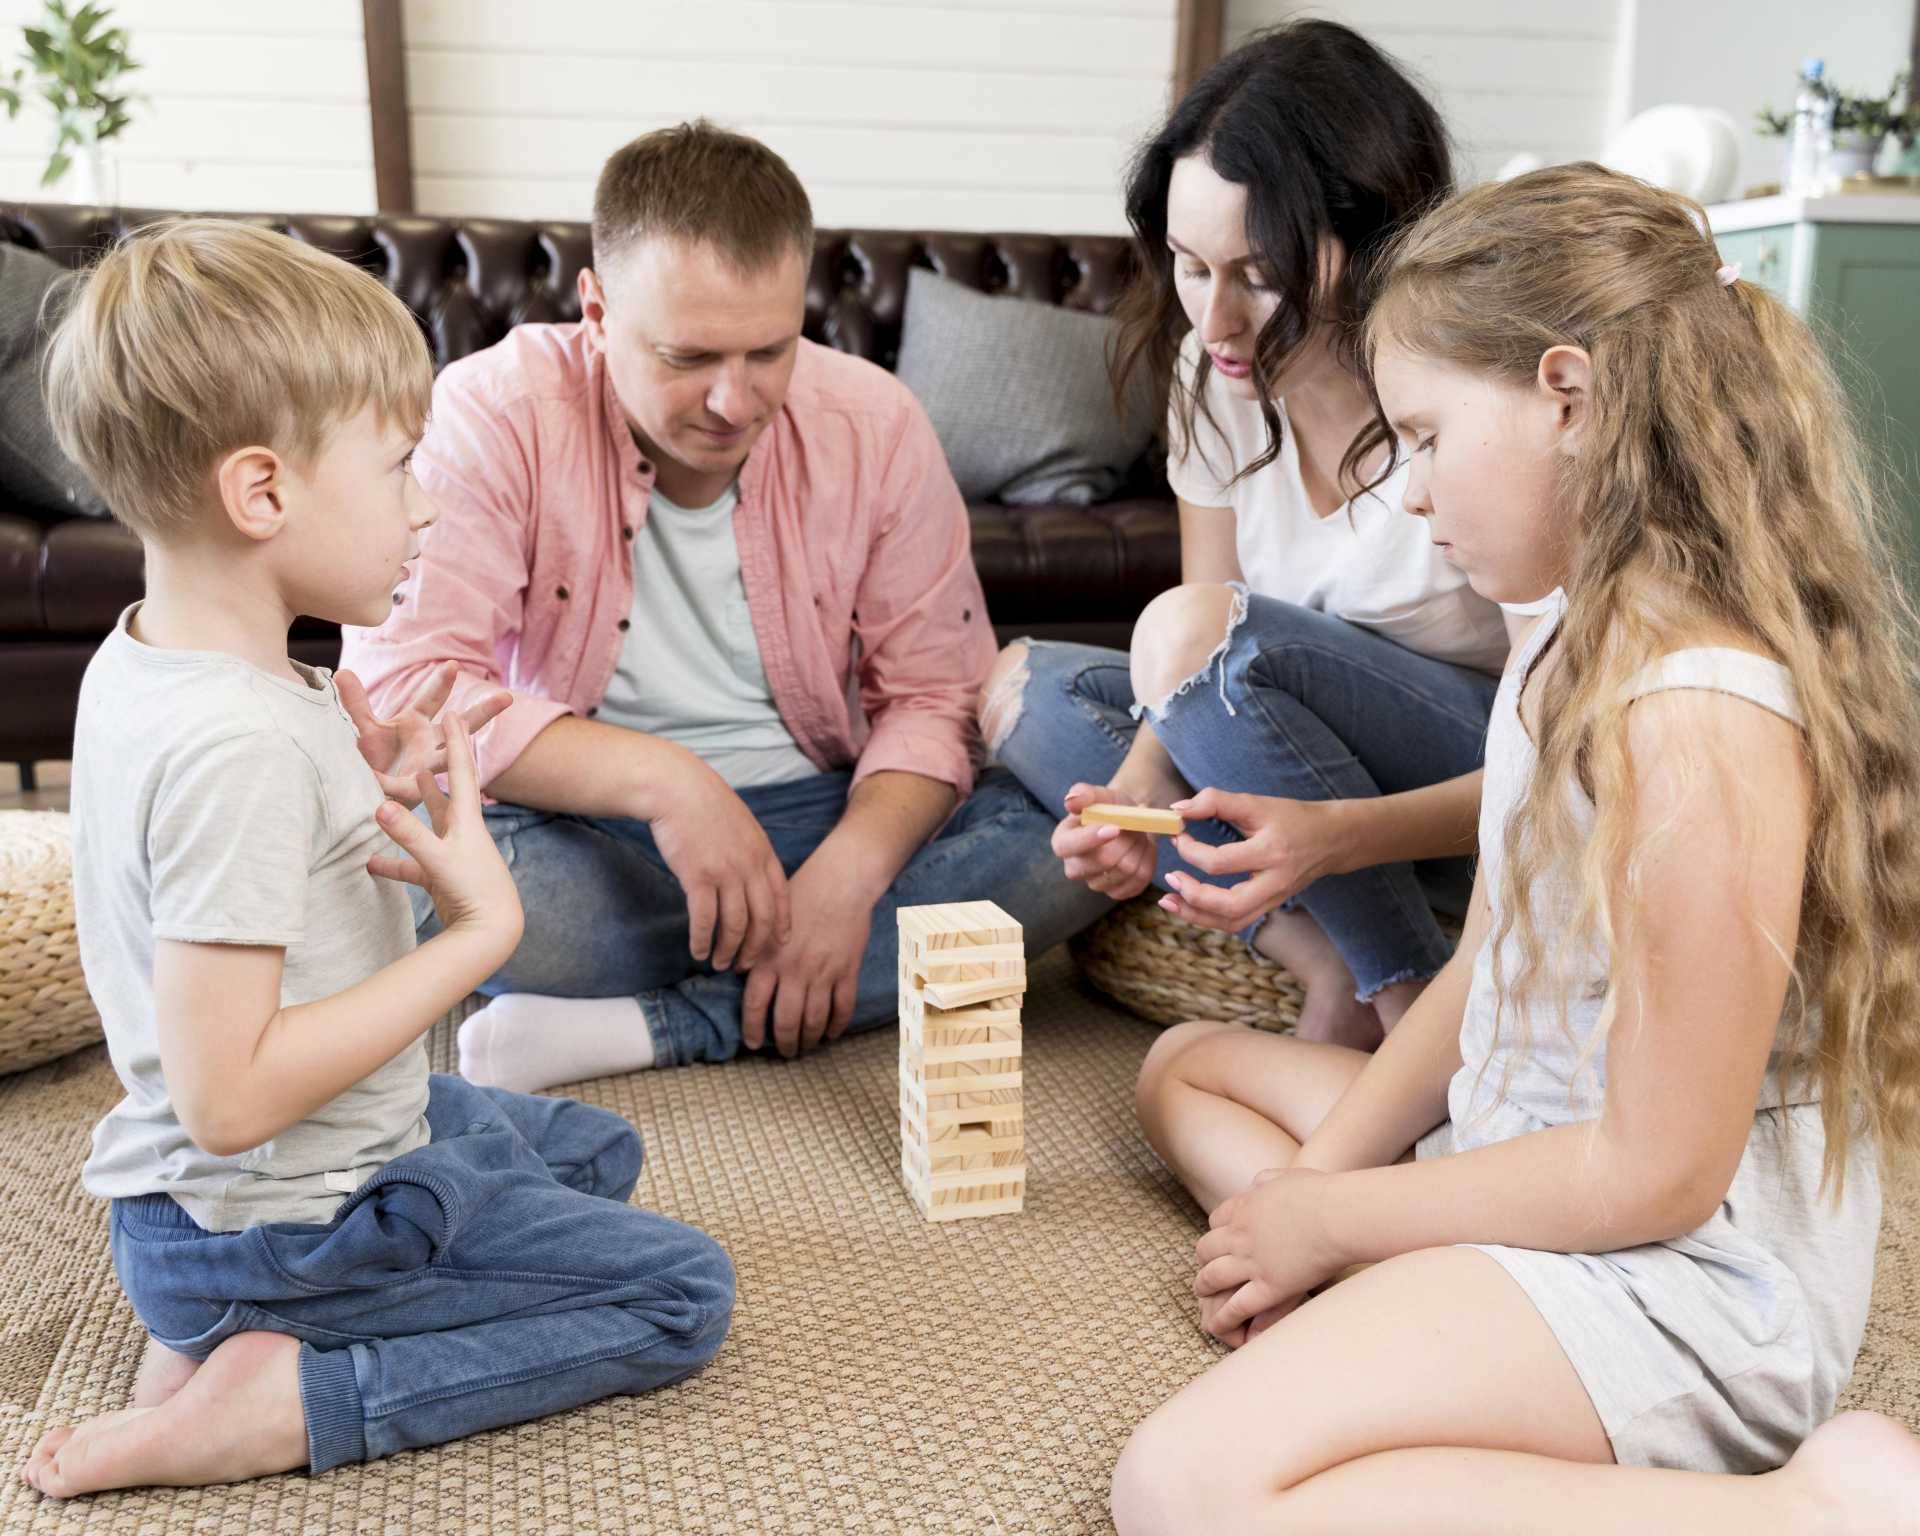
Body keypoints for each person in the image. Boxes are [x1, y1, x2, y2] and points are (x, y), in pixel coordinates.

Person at [1110, 164, 1920, 1531]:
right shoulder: (1561, 634)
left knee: (1183, 1487)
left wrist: (1337, 1226)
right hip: (1519, 1156)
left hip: (1673, 1280)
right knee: (1181, 1064)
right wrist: (1317, 1191)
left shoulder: (1700, 718)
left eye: (1423, 437)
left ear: (1569, 393)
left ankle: (1816, 1510)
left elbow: (1661, 1170)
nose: (1410, 497)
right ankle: (1422, 1294)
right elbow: (1490, 958)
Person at [20, 221, 734, 1499]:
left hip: (257, 1188)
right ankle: (286, 1393)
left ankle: (211, 1334)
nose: (427, 500)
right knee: (683, 1293)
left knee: (592, 1155)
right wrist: (476, 939)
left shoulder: (157, 660)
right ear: (261, 494)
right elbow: (228, 1096)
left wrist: (364, 792)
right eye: (400, 465)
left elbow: (243, 891)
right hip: (282, 1218)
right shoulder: (233, 745)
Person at [340, 122, 1103, 1092]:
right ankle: (817, 969)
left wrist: (847, 878)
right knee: (384, 871)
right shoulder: (492, 411)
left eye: (768, 352)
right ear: (597, 308)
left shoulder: (874, 422)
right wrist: (669, 785)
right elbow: (409, 688)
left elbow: (937, 696)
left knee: (1081, 841)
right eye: (689, 356)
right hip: (587, 831)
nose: (734, 402)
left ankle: (658, 1023)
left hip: (827, 812)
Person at [981, 21, 1514, 1051]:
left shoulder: (1472, 395)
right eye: (1188, 267)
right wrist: (1137, 796)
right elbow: (1189, 657)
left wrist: (1342, 832)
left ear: (1374, 243)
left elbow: (1572, 760)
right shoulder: (1213, 382)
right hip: (1271, 748)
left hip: (1467, 784)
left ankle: (1399, 995)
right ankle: (1325, 954)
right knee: (1028, 696)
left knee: (1196, 644)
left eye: (1257, 275)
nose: (1214, 321)